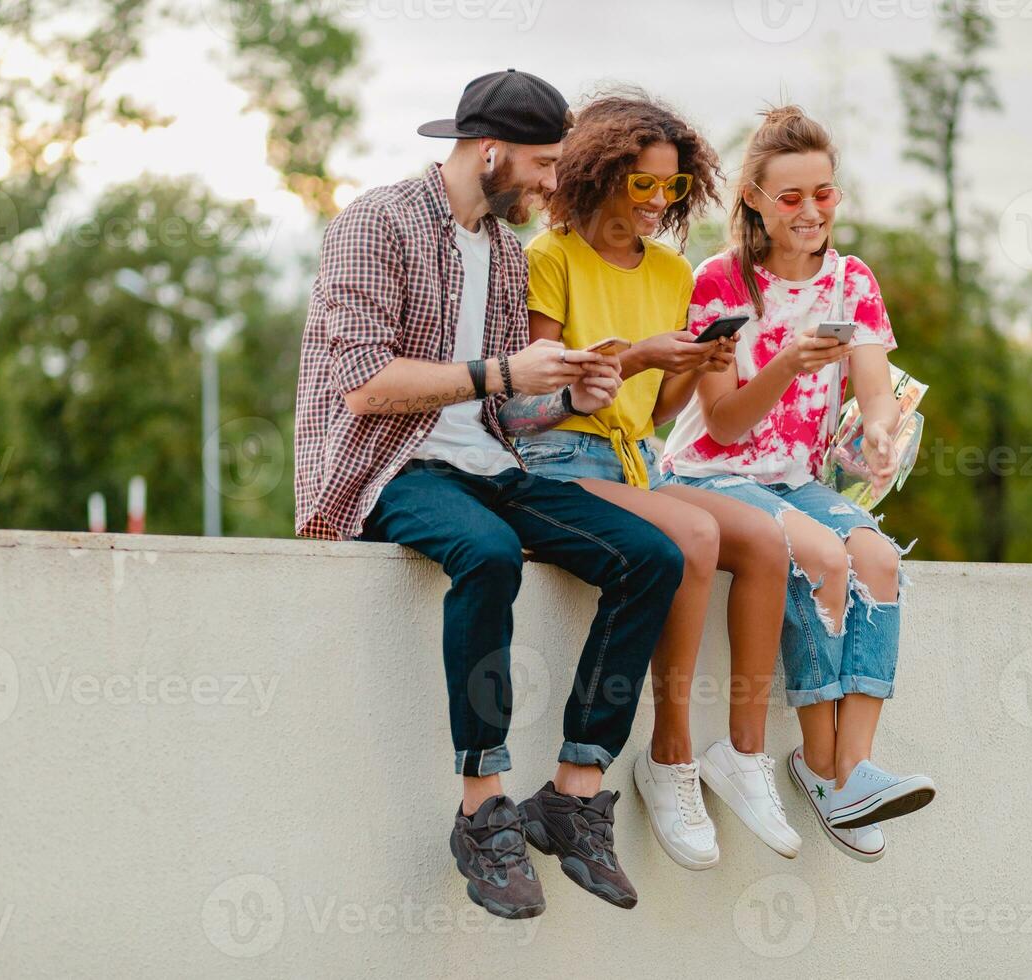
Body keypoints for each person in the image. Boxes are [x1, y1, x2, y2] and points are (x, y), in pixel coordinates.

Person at [293, 69, 684, 918]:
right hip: (384, 464)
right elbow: (363, 385)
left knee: (653, 555)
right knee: (488, 554)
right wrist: (503, 371)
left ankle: (574, 792)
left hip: (491, 464)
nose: (552, 185)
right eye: (545, 166)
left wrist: (570, 394)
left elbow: (507, 407)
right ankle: (482, 807)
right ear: (491, 149)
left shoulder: (505, 252)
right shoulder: (376, 222)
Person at [514, 91, 801, 871]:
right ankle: (668, 757)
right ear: (598, 174)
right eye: (643, 183)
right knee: (698, 533)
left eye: (673, 187)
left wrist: (695, 364)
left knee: (767, 543)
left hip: (633, 463)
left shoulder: (673, 270)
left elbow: (657, 410)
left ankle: (742, 756)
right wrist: (640, 356)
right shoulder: (552, 257)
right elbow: (529, 405)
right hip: (557, 464)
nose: (659, 202)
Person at [662, 105, 937, 864]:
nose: (811, 211)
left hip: (792, 479)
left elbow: (876, 389)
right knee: (822, 555)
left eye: (825, 193)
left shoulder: (852, 280)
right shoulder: (718, 283)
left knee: (878, 558)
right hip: (708, 472)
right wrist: (785, 364)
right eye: (791, 197)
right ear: (752, 196)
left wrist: (880, 430)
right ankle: (822, 767)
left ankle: (851, 770)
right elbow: (718, 424)